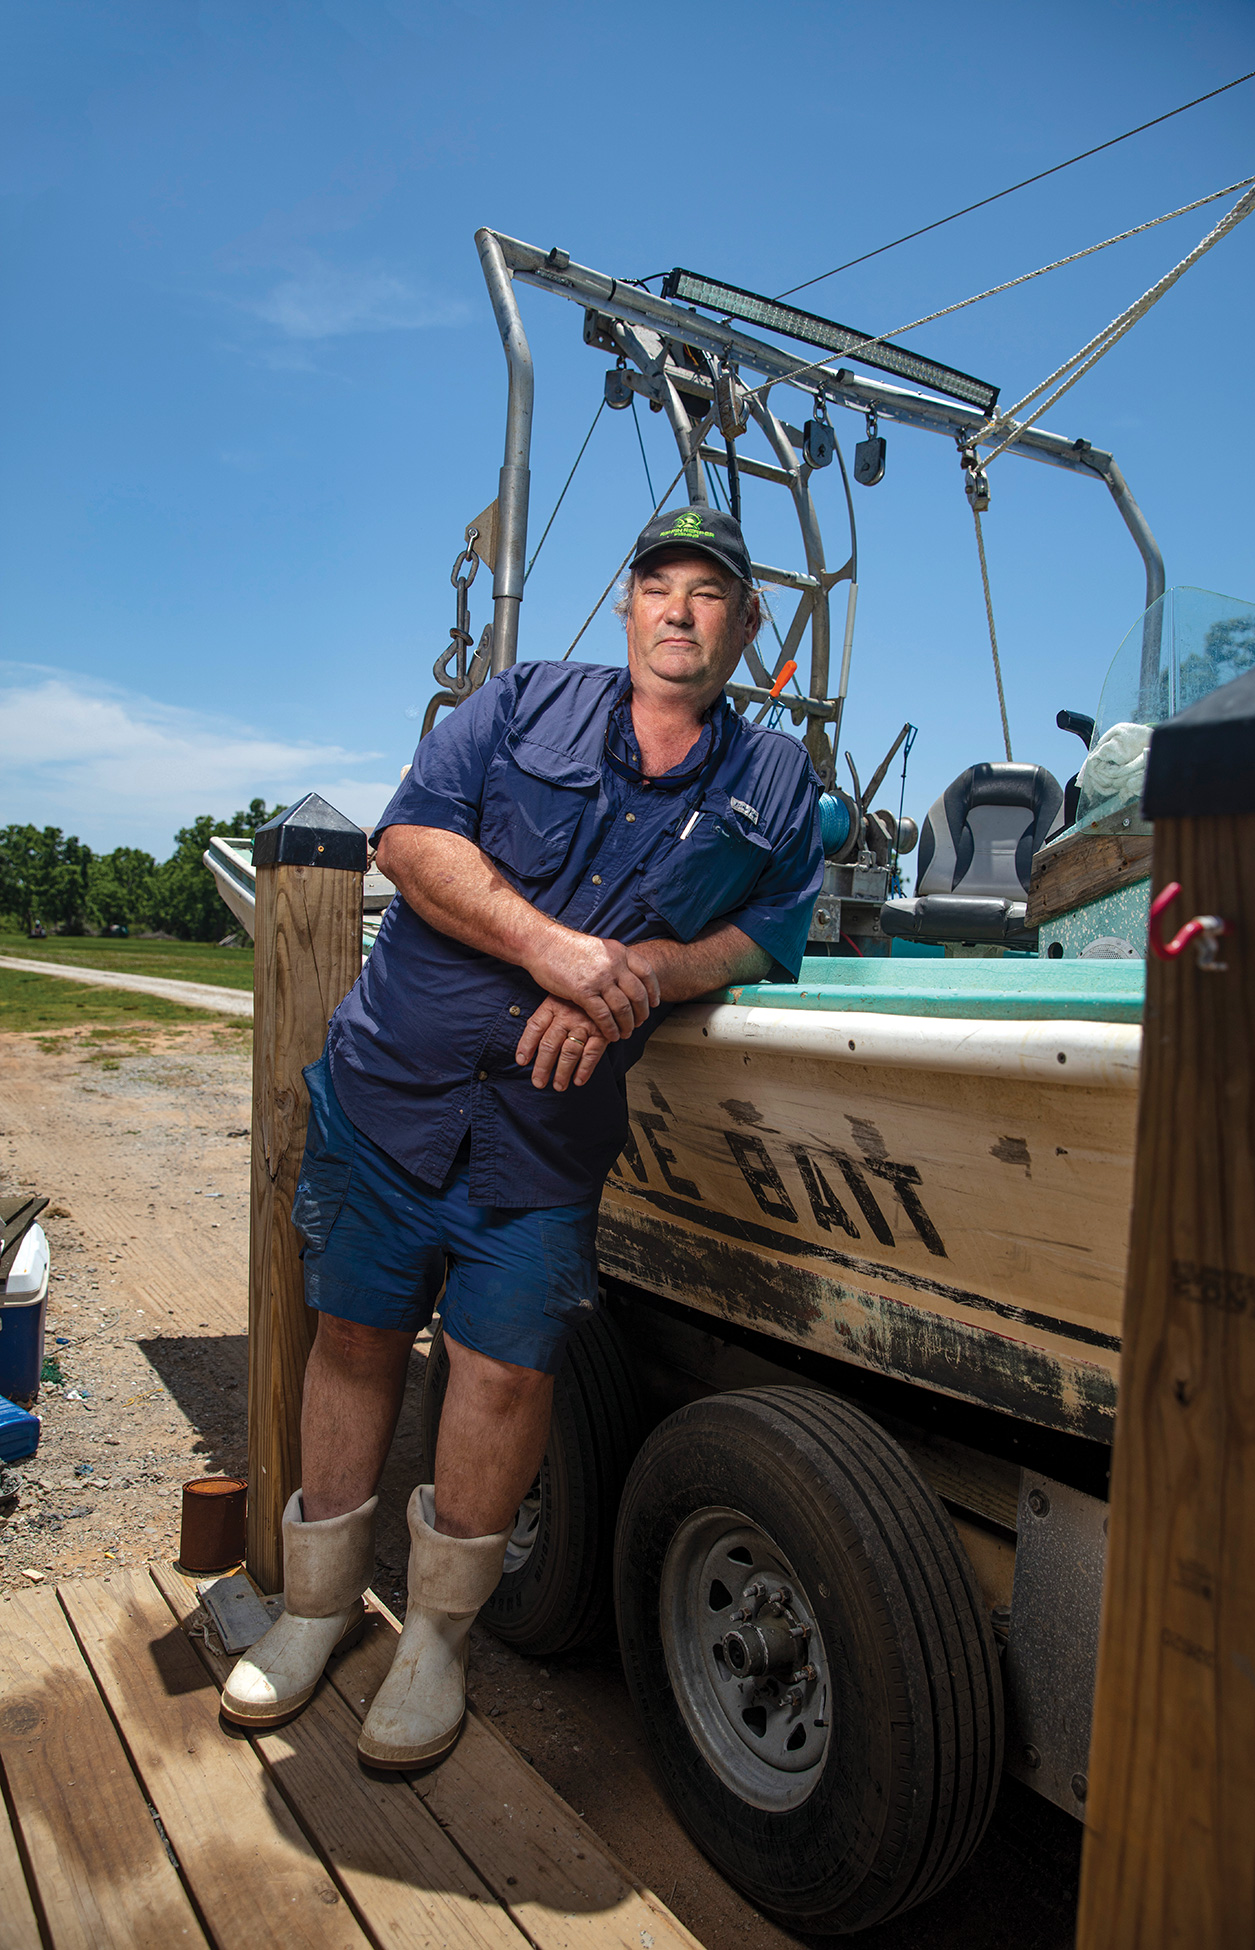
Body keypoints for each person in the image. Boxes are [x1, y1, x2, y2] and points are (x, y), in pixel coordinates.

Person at [220, 506, 825, 1766]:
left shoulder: (776, 783)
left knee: (502, 1374)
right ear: (626, 605)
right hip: (393, 1091)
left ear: (747, 626)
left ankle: (436, 1642)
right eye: (658, 584)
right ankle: (318, 1609)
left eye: (709, 594)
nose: (679, 609)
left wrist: (647, 972)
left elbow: (766, 930)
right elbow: (408, 840)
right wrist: (556, 949)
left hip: (544, 1145)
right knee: (355, 1340)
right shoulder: (518, 703)